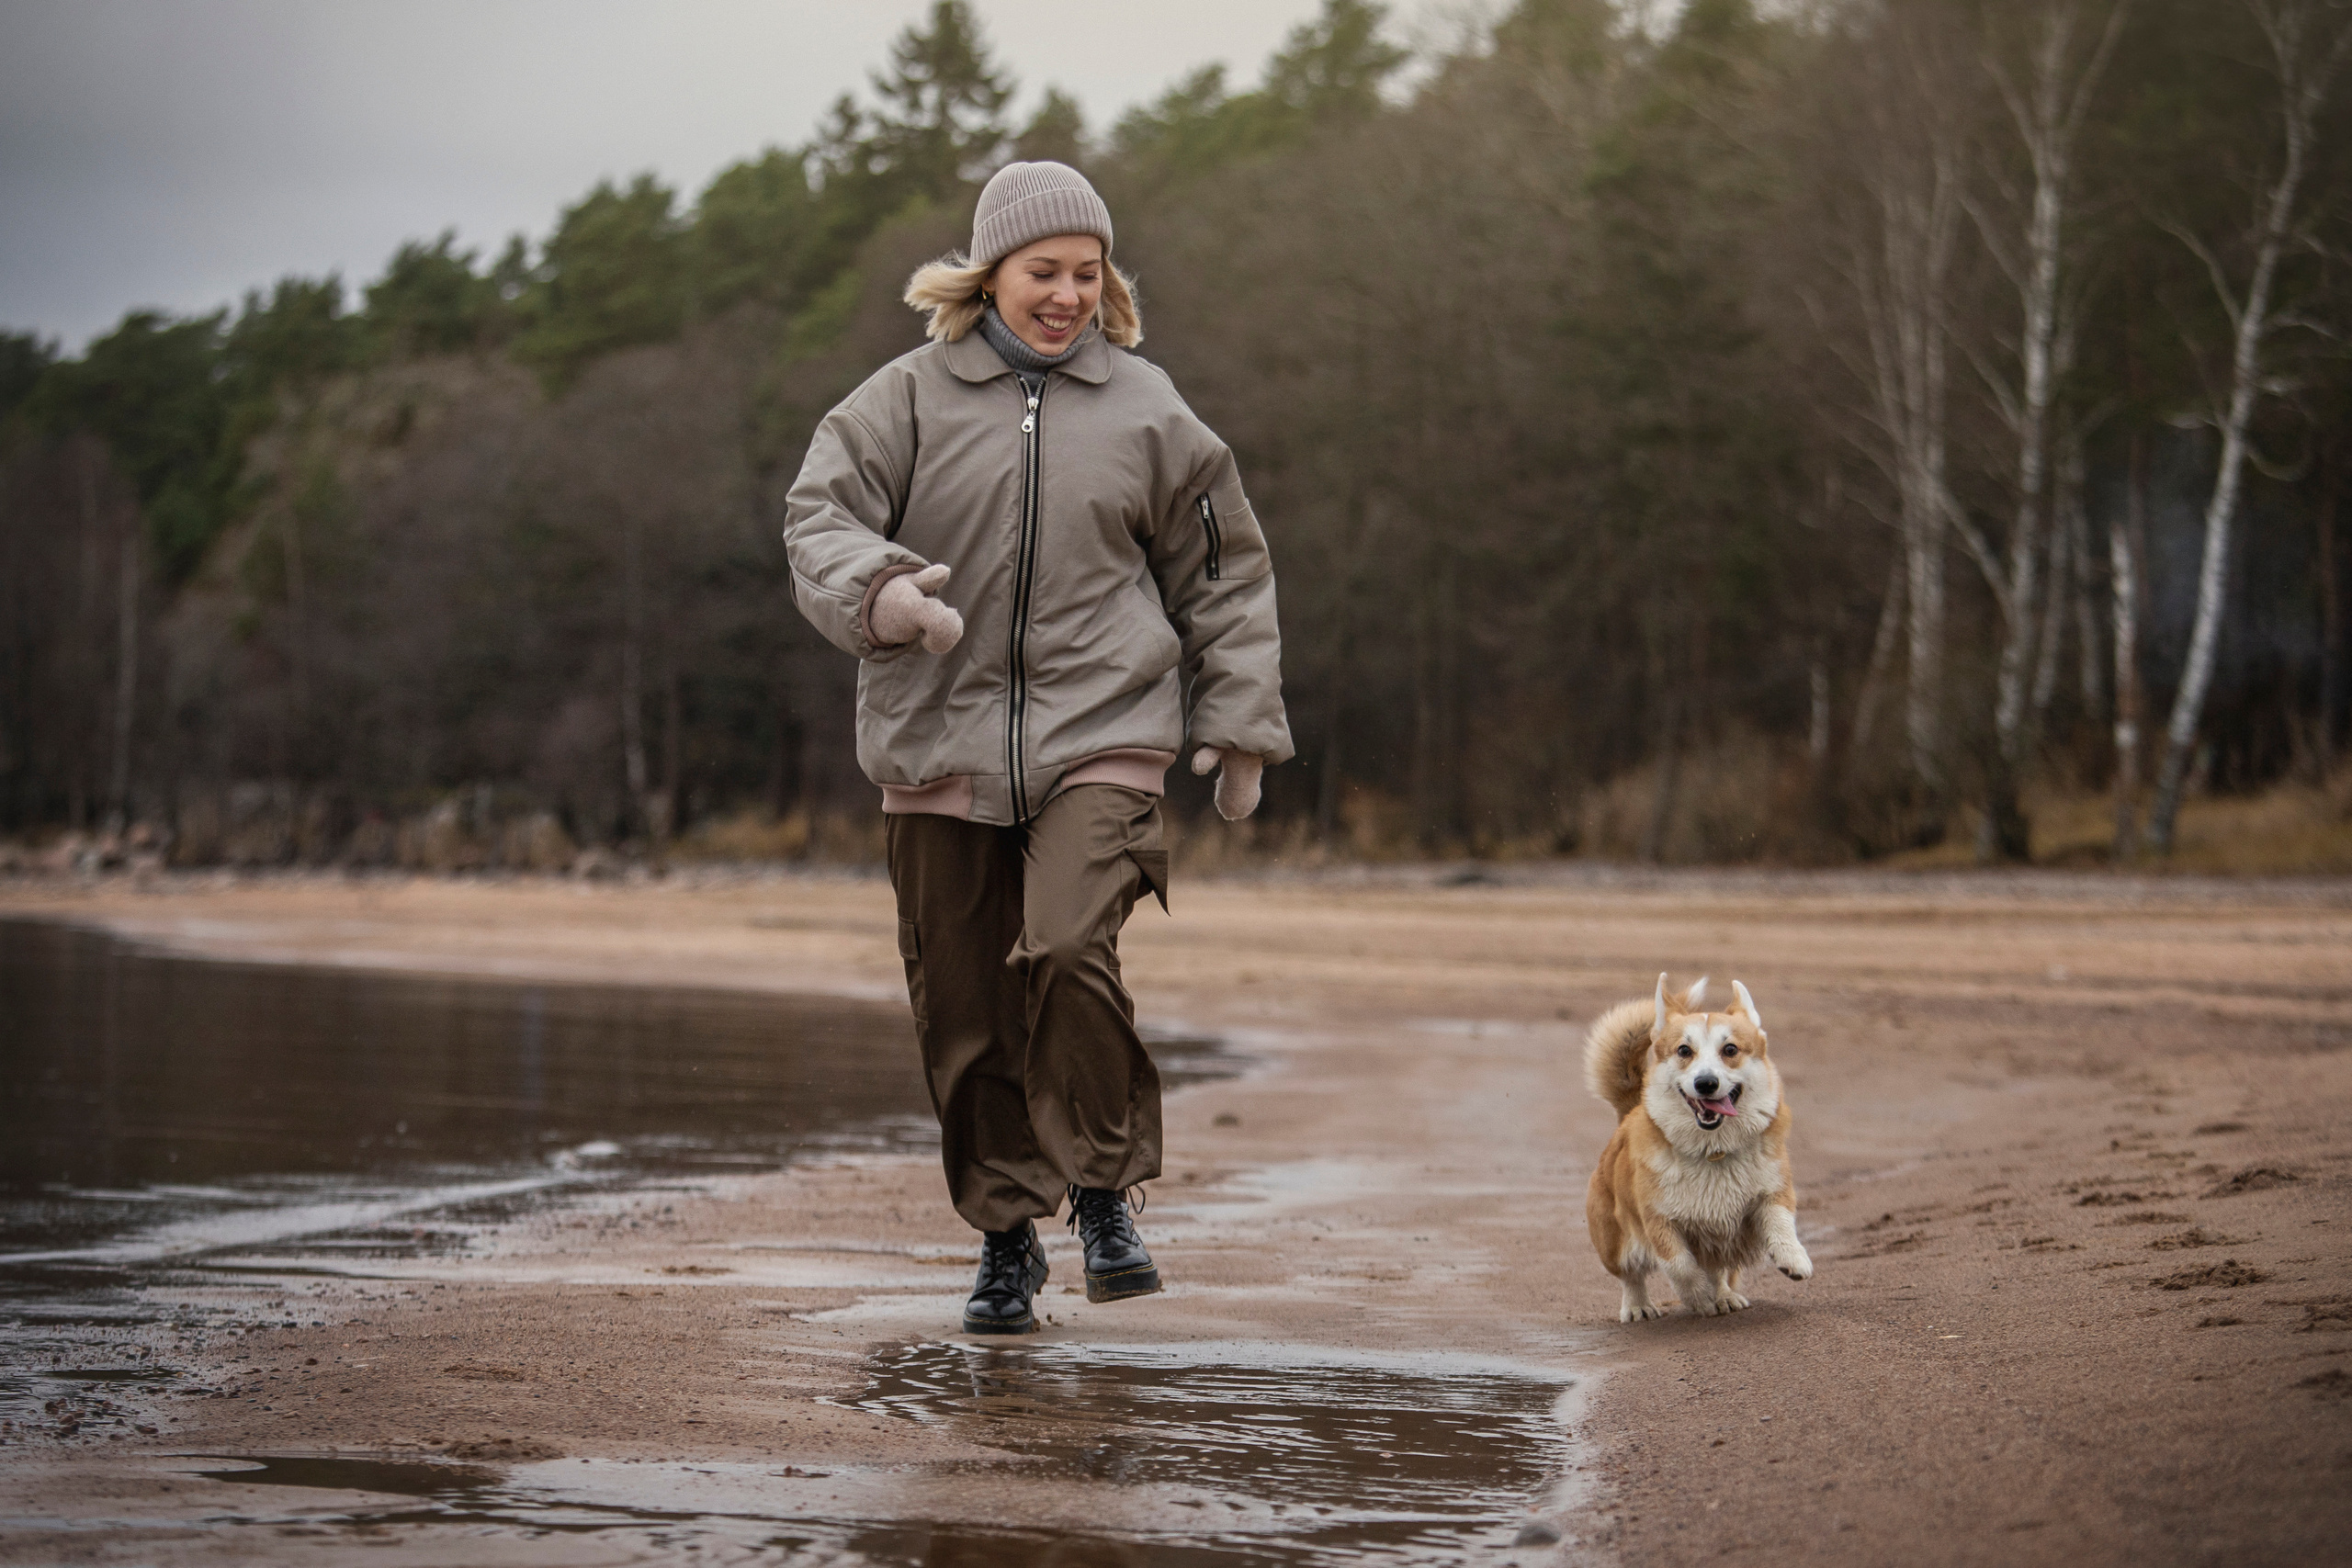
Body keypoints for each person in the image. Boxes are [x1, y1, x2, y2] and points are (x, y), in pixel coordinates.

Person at [782, 161, 1292, 1335]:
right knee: (961, 1008)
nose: (1066, 294)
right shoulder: (901, 400)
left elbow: (1223, 571)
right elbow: (818, 518)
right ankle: (1007, 1237)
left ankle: (1106, 1190)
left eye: (1086, 272)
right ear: (988, 276)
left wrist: (1239, 722)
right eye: (1042, 272)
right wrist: (884, 596)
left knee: (1066, 948)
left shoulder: (1150, 410)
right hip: (934, 740)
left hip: (1101, 735)